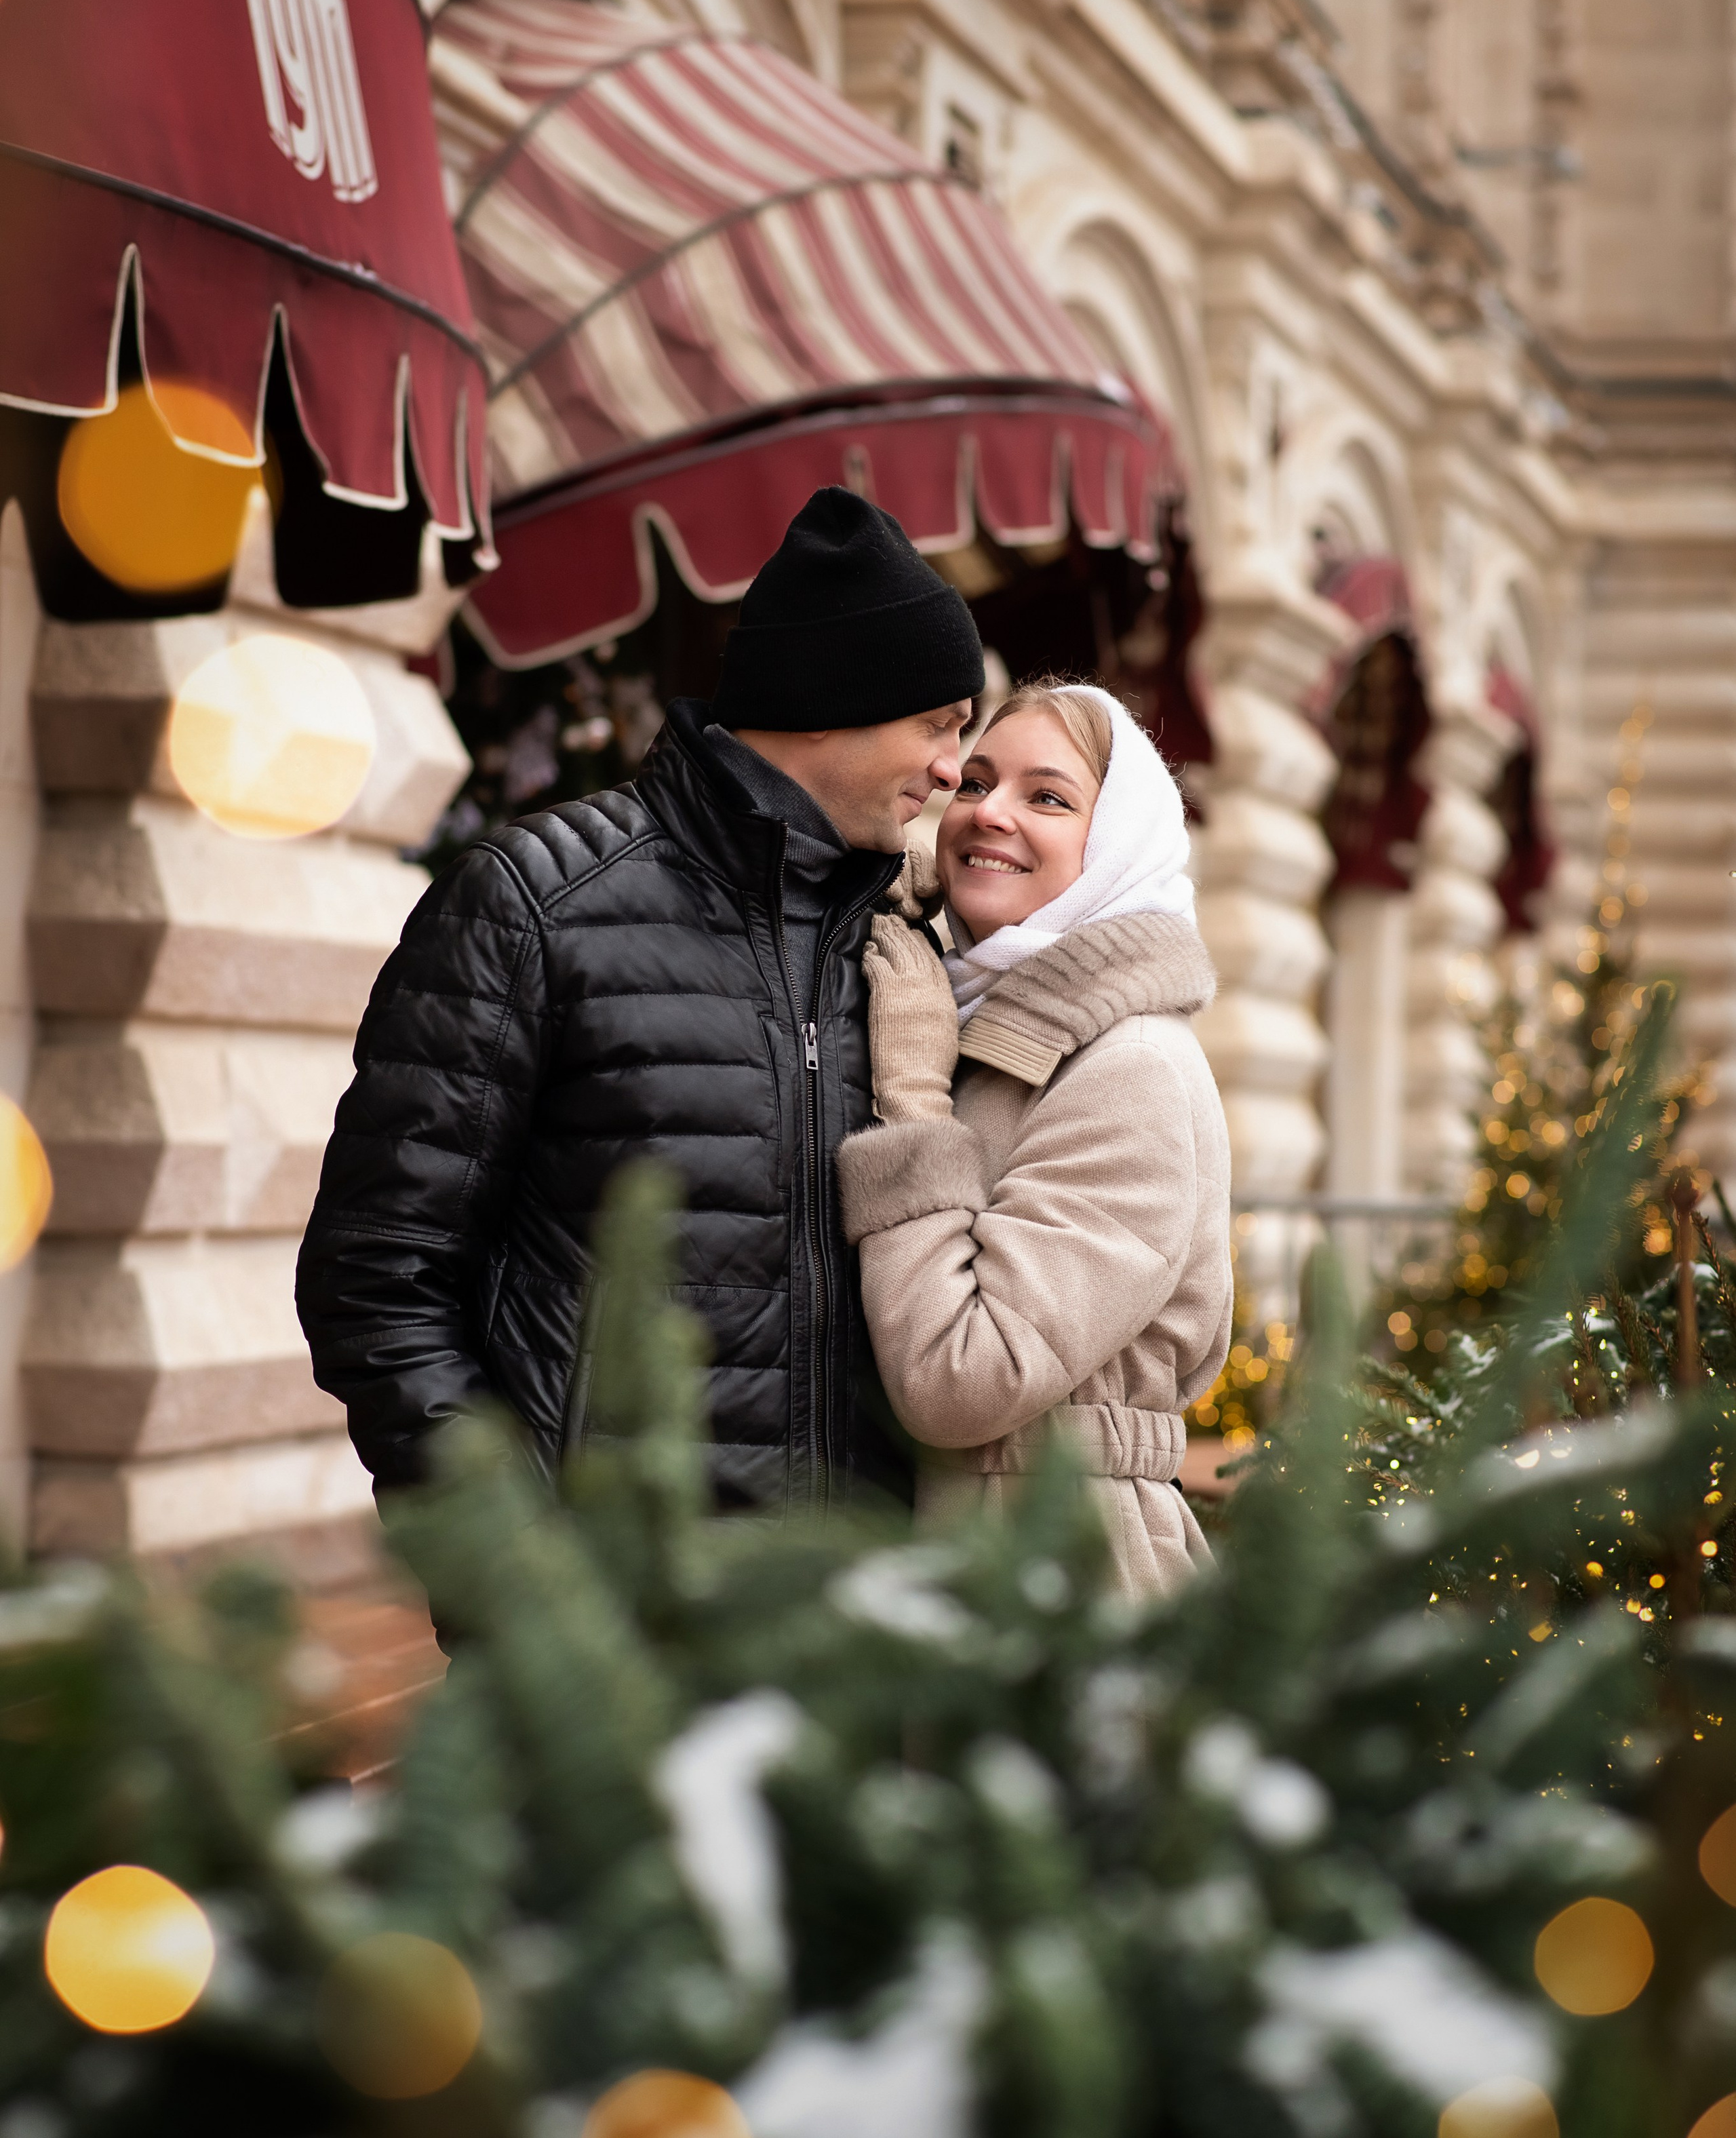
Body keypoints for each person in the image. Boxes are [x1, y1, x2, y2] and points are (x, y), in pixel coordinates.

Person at [295, 488, 983, 1515]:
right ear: (835, 696)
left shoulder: (900, 948)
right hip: (611, 1624)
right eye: (939, 724)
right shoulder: (534, 900)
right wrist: (515, 1571)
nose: (951, 768)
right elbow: (380, 1272)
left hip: (853, 1628)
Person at [836, 677, 1231, 1597]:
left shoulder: (1129, 1067)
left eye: (1047, 797)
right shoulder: (976, 1016)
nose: (988, 814)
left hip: (1061, 1573)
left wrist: (911, 1096)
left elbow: (961, 1379)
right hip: (966, 1556)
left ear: (1118, 851)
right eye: (973, 785)